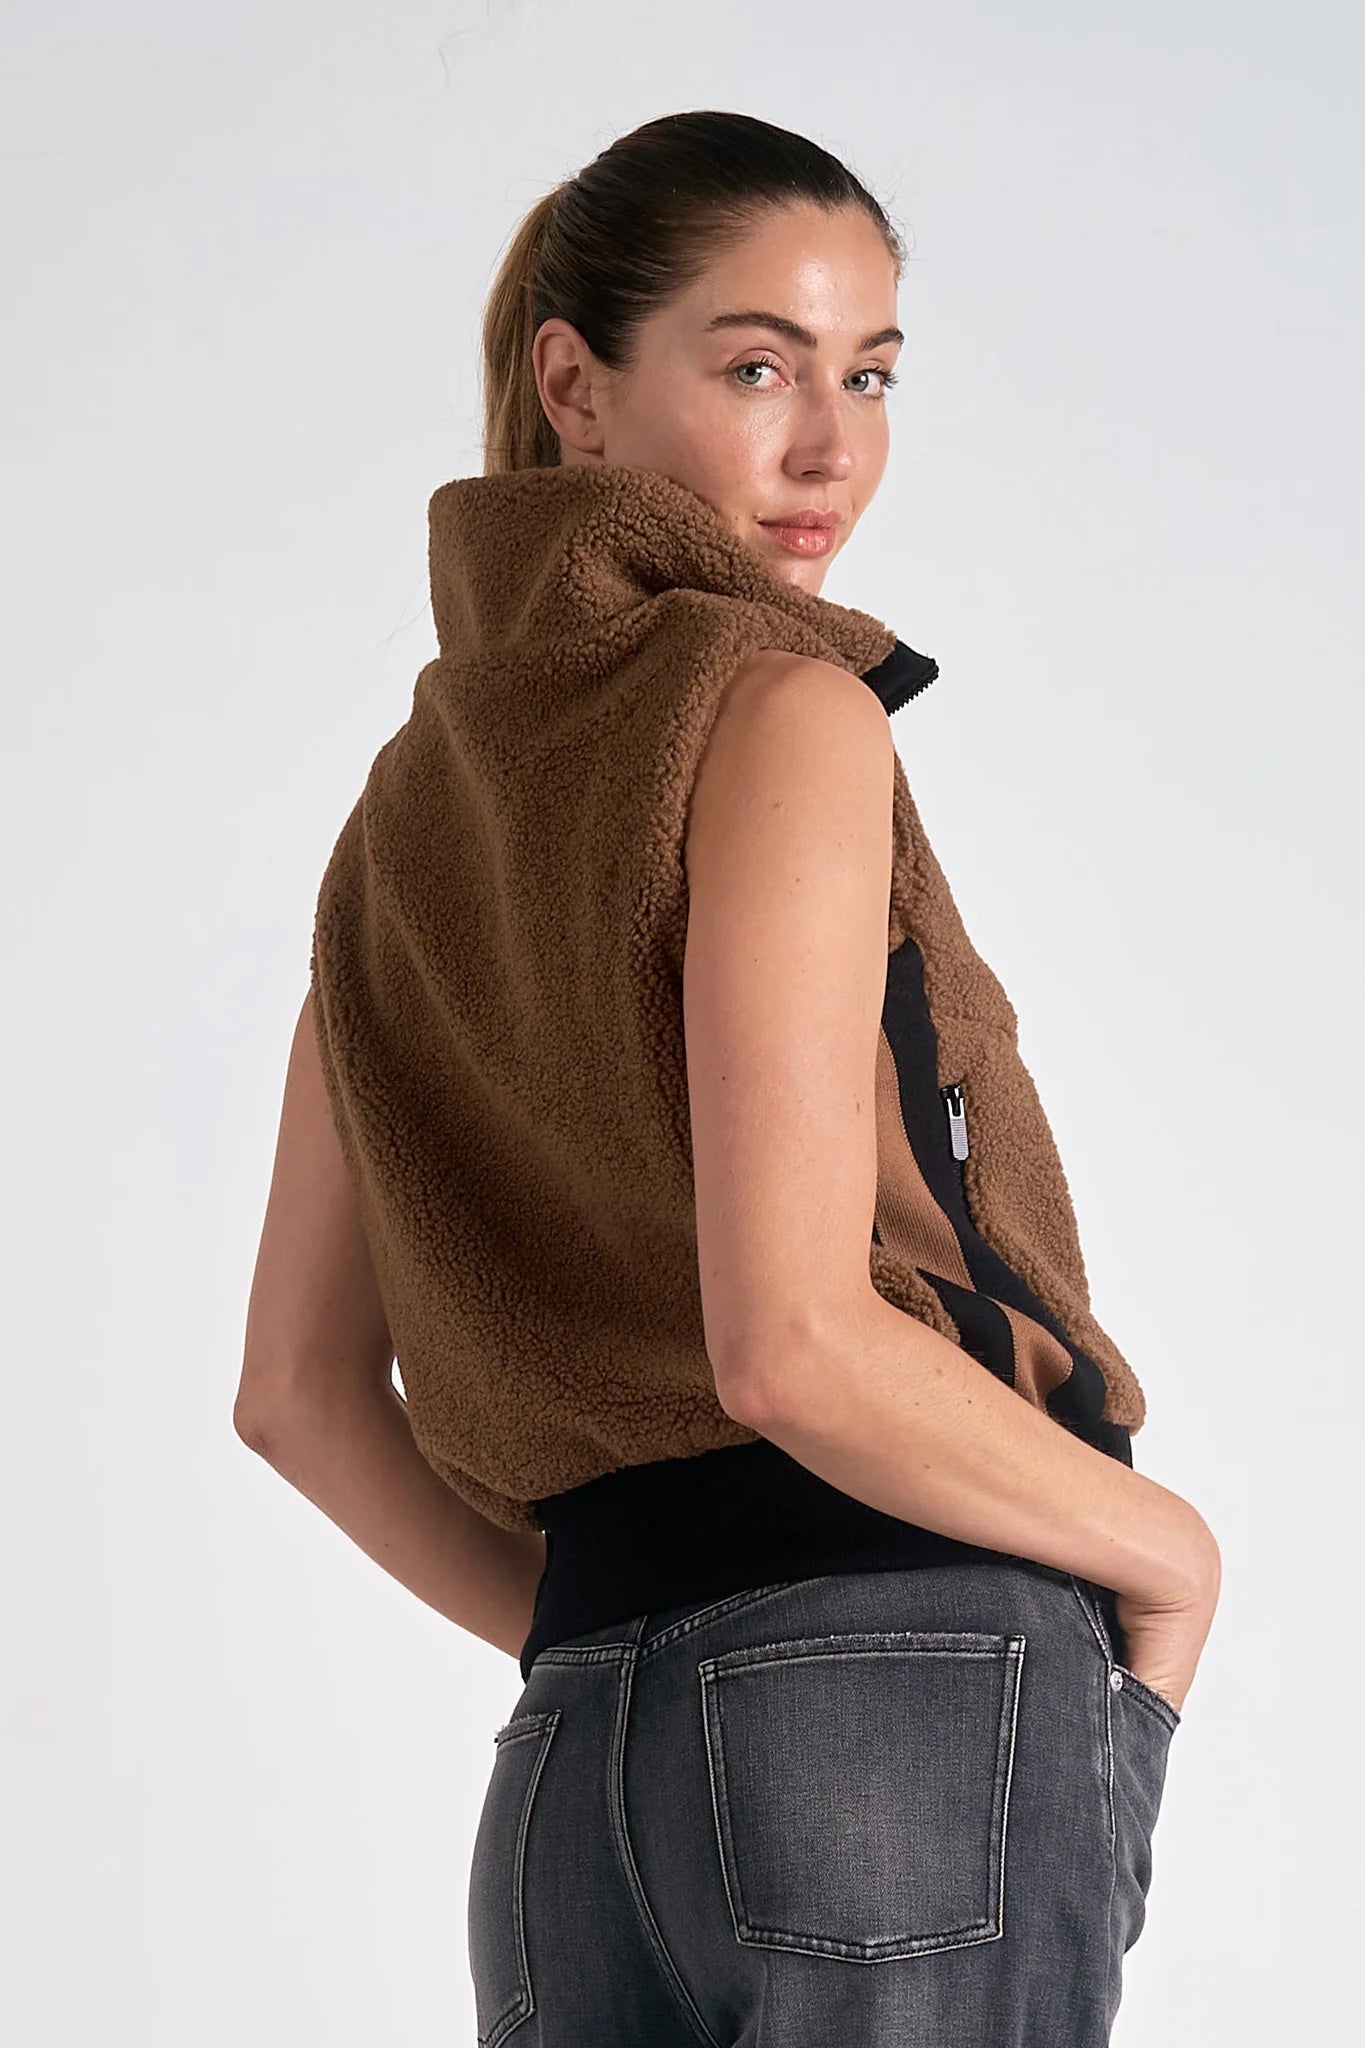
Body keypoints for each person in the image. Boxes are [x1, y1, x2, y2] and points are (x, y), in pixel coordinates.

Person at [236, 110, 1221, 2045]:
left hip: (574, 1772)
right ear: (572, 385)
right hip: (908, 1677)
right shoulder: (778, 707)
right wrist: (1168, 1561)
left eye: (870, 376)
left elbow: (291, 1395)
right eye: (758, 367)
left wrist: (599, 1629)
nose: (830, 447)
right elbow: (787, 1344)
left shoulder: (401, 828)